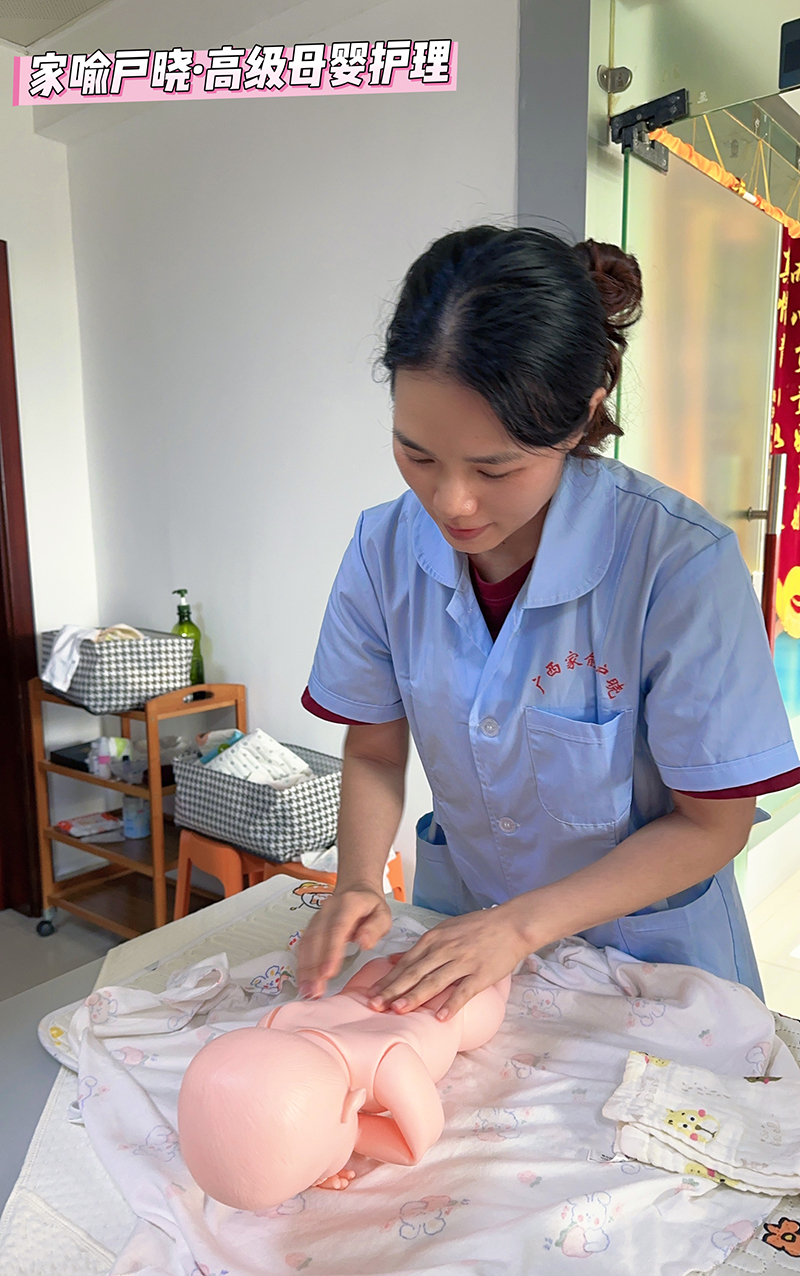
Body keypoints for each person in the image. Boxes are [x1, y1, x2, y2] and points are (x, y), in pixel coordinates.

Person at [296, 224, 800, 1017]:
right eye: (418, 455)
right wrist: (357, 880)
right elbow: (375, 748)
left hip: (647, 961)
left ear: (581, 417)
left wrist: (519, 927)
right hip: (466, 933)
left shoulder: (677, 564)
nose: (451, 502)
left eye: (494, 467)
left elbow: (713, 826)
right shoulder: (383, 549)